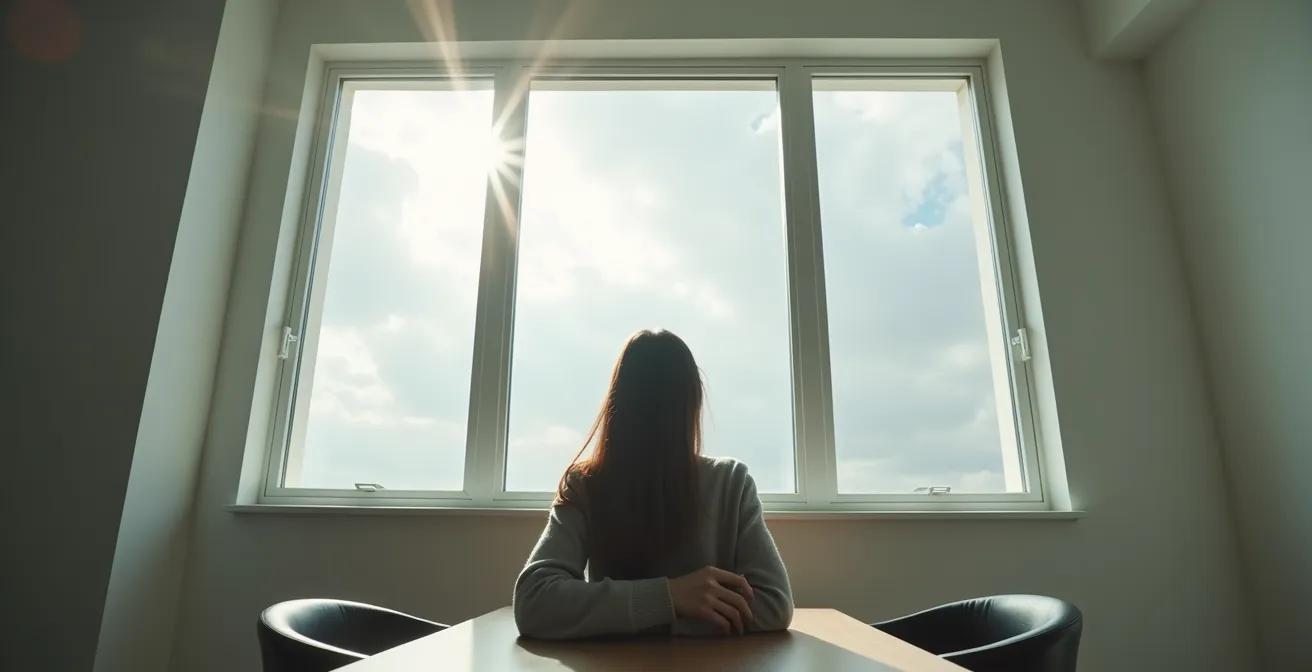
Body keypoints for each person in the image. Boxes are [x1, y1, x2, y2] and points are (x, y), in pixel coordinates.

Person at [513, 329, 794, 639]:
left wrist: (647, 615)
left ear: (618, 401)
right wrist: (671, 598)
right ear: (693, 404)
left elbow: (774, 604)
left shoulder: (732, 483)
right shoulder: (585, 485)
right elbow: (534, 600)